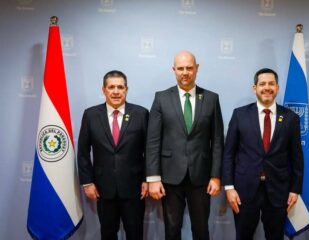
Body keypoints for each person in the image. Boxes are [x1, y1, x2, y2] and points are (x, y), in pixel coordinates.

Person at [146, 50, 224, 240]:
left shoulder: (211, 98)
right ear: (174, 70)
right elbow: (153, 141)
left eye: (189, 68)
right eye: (180, 68)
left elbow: (218, 141)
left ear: (197, 69)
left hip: (201, 177)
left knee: (201, 230)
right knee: (172, 231)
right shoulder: (161, 98)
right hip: (170, 177)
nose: (185, 72)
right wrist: (153, 178)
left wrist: (215, 175)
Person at [222, 68, 304, 240]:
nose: (267, 88)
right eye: (262, 84)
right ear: (255, 88)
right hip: (244, 191)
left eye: (271, 84)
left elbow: (296, 157)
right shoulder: (240, 114)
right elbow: (228, 153)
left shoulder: (290, 118)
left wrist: (295, 190)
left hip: (278, 192)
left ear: (277, 88)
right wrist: (229, 188)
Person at [77, 70, 149, 240]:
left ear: (126, 89)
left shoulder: (141, 114)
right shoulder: (91, 115)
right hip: (103, 188)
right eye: (111, 87)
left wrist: (147, 179)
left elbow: (150, 150)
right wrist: (87, 182)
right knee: (108, 233)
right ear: (104, 90)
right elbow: (83, 151)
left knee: (135, 233)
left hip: (134, 188)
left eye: (120, 87)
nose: (116, 91)